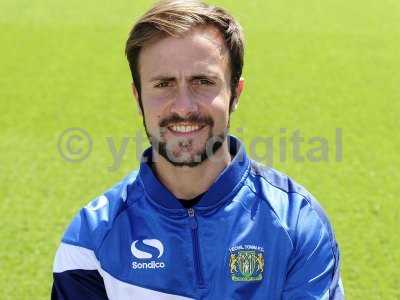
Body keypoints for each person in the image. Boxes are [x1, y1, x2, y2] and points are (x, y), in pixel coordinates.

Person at [51, 0, 345, 299]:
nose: (184, 107)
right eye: (164, 84)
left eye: (203, 82)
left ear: (235, 93)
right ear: (137, 97)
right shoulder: (91, 236)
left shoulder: (296, 221)